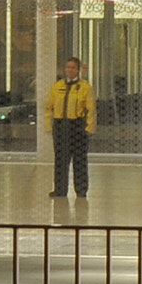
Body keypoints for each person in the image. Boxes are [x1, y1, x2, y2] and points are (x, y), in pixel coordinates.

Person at [44, 55, 95, 199]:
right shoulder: (57, 86)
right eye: (68, 67)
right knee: (61, 159)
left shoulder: (85, 87)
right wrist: (49, 125)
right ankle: (60, 190)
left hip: (77, 126)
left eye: (73, 67)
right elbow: (49, 107)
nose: (70, 70)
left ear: (78, 70)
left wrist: (89, 128)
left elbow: (91, 109)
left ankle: (81, 190)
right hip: (61, 126)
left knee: (79, 160)